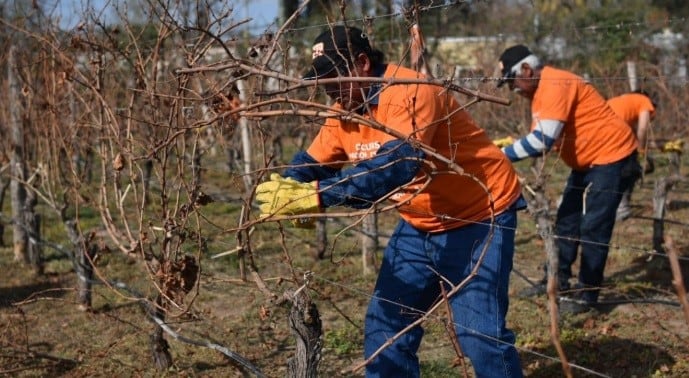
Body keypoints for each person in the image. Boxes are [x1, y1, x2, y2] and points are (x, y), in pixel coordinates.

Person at [255, 25, 525, 377]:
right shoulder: (343, 110)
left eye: (333, 77)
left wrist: (318, 196)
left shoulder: (409, 91)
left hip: (479, 215)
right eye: (322, 81)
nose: (328, 90)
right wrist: (288, 185)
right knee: (386, 329)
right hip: (419, 222)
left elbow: (398, 165)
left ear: (362, 63)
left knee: (480, 335)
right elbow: (314, 161)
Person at [495, 44, 639, 314]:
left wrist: (498, 155)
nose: (513, 90)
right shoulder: (539, 93)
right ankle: (556, 280)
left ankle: (587, 295)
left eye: (513, 82)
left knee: (594, 226)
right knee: (567, 220)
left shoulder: (554, 84)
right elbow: (541, 136)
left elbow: (541, 141)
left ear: (526, 69)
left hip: (612, 155)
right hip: (588, 160)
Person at [607, 90, 657, 220]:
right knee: (630, 169)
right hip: (613, 132)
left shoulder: (623, 99)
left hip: (598, 129)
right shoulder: (645, 102)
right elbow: (642, 129)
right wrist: (641, 150)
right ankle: (621, 207)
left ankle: (568, 200)